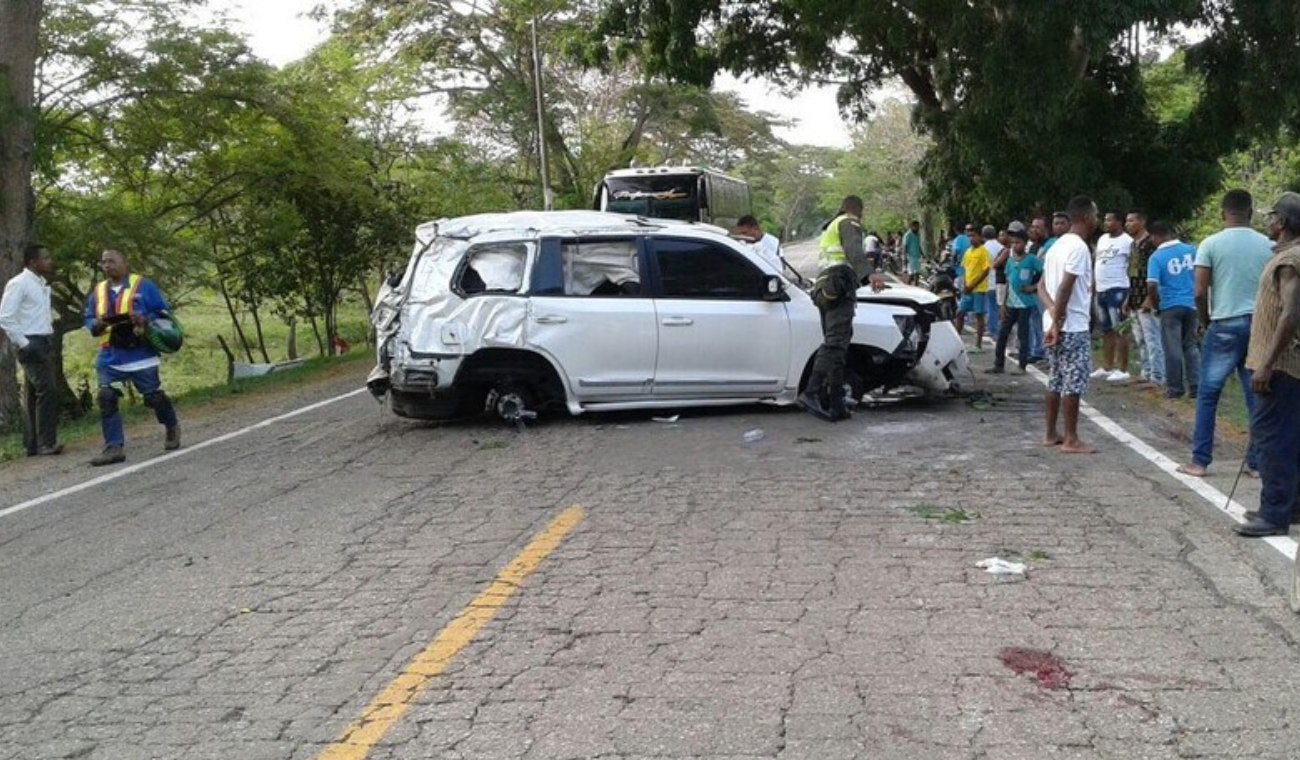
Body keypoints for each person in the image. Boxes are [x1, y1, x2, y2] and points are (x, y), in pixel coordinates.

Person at [1177, 189, 1273, 478]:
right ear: (1251, 212)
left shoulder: (1210, 244)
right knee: (1255, 395)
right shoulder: (1269, 245)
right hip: (1259, 325)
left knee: (1208, 394)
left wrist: (1205, 321)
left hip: (1224, 323)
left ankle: (1200, 461)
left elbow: (1199, 291)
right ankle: (1256, 463)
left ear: (1223, 213)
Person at [1234, 191, 1300, 537]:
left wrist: (1267, 363)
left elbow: (1290, 313)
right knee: (1289, 437)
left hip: (1280, 366)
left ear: (1283, 222)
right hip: (1285, 365)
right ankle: (1290, 506)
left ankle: (1274, 514)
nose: (1268, 221)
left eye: (1272, 216)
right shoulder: (1286, 256)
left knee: (1272, 439)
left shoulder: (1290, 260)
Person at [84, 249, 181, 466]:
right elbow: (89, 316)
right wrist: (94, 325)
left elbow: (164, 313)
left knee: (153, 398)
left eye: (112, 261)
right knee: (107, 397)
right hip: (111, 355)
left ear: (125, 263)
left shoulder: (144, 286)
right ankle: (114, 447)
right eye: (104, 262)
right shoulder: (98, 291)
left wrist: (144, 319)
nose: (107, 266)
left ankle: (171, 425)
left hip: (141, 353)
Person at [800, 196, 885, 422]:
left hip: (826, 288)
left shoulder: (832, 225)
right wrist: (870, 274)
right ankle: (811, 392)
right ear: (859, 210)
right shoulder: (849, 221)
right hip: (839, 285)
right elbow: (854, 251)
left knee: (838, 347)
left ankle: (836, 403)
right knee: (836, 343)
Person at [1040, 196, 1098, 454]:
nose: (1097, 220)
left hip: (1054, 322)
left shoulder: (1056, 246)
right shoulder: (1079, 248)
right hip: (1071, 325)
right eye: (1096, 215)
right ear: (1086, 217)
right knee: (1072, 381)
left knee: (1055, 379)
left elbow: (1041, 286)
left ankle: (1051, 433)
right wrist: (1058, 319)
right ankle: (1071, 438)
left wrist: (1052, 312)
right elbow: (1066, 285)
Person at [0, 244, 62, 456]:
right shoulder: (19, 283)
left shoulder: (40, 284)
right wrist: (25, 343)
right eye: (45, 258)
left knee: (34, 393)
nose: (49, 261)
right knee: (47, 390)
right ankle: (46, 443)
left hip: (43, 339)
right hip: (31, 341)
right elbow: (5, 317)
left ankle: (32, 444)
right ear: (33, 262)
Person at [1144, 222, 1200, 399]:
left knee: (1172, 347)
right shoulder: (1191, 250)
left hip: (1170, 305)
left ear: (1154, 236)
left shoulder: (1156, 257)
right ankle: (1196, 386)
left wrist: (1156, 305)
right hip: (1192, 304)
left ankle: (1175, 388)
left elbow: (1152, 285)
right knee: (1191, 345)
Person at [989, 228, 1041, 374]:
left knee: (1023, 335)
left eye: (1018, 243)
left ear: (1025, 244)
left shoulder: (1032, 260)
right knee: (1002, 333)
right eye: (1012, 243)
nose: (1014, 245)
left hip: (1025, 303)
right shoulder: (1010, 261)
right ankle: (998, 364)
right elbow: (1008, 282)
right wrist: (1003, 304)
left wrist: (1034, 287)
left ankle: (1022, 365)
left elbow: (1045, 274)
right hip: (1010, 303)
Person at [1091, 211, 1133, 383]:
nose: (1106, 222)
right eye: (1105, 219)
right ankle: (1107, 366)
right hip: (1101, 289)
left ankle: (1122, 368)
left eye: (1110, 220)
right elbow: (1097, 263)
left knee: (1120, 329)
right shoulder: (1102, 239)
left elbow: (1132, 266)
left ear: (1119, 222)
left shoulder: (1127, 241)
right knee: (1106, 329)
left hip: (1118, 288)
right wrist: (1094, 285)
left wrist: (1130, 292)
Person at [1125, 210, 1165, 389]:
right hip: (1135, 295)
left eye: (1131, 221)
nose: (1127, 224)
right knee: (1140, 338)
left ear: (1141, 222)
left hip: (1147, 297)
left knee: (1152, 338)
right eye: (1127, 221)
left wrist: (1150, 297)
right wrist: (1128, 297)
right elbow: (1132, 274)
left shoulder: (1151, 244)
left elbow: (1156, 273)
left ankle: (1158, 376)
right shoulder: (1133, 245)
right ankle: (1146, 372)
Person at [1023, 217, 1053, 363]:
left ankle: (1048, 354)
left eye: (1038, 227)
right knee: (1035, 322)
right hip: (1032, 291)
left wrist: (1035, 286)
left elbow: (1048, 271)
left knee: (1045, 321)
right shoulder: (1033, 247)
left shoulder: (1050, 245)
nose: (1034, 230)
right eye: (1033, 227)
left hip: (1043, 290)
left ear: (1046, 229)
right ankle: (1038, 351)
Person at [956, 226, 991, 350]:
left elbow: (985, 271)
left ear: (980, 237)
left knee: (979, 315)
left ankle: (978, 345)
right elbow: (966, 270)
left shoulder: (983, 251)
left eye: (974, 236)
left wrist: (973, 285)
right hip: (968, 289)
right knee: (960, 313)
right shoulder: (968, 252)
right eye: (969, 236)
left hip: (979, 289)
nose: (971, 238)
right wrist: (966, 285)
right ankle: (957, 341)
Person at [985, 225, 1008, 341]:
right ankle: (999, 329)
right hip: (1001, 281)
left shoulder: (983, 248)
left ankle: (993, 329)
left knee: (992, 306)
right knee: (1000, 307)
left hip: (990, 281)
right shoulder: (1001, 248)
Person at [903, 220, 924, 285]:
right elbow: (905, 246)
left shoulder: (918, 235)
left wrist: (922, 254)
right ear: (912, 226)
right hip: (910, 256)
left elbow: (918, 245)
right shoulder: (908, 235)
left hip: (917, 256)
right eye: (916, 226)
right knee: (911, 274)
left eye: (918, 227)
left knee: (917, 273)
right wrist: (905, 257)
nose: (918, 228)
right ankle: (908, 287)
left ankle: (916, 286)